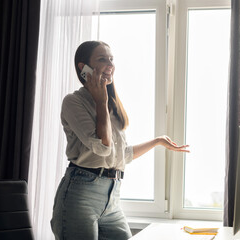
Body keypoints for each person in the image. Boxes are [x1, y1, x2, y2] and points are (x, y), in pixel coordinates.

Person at [51, 41, 189, 240]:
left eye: (111, 59)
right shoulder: (74, 102)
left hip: (112, 197)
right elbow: (102, 147)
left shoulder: (111, 106)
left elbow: (121, 156)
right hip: (80, 193)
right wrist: (101, 101)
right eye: (102, 59)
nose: (110, 65)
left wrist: (157, 141)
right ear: (83, 68)